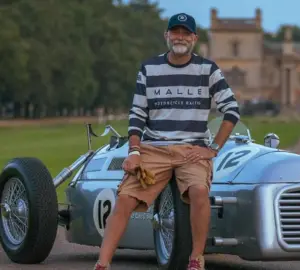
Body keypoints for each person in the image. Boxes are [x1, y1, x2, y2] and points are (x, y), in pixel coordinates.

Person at [93, 12, 240, 270]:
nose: (179, 37)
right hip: (153, 149)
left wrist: (212, 149)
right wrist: (134, 151)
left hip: (191, 149)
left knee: (199, 191)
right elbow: (137, 115)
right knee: (125, 198)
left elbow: (232, 110)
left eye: (185, 33)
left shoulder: (208, 69)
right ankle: (102, 264)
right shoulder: (149, 68)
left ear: (194, 38)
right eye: (175, 32)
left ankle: (196, 258)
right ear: (167, 35)